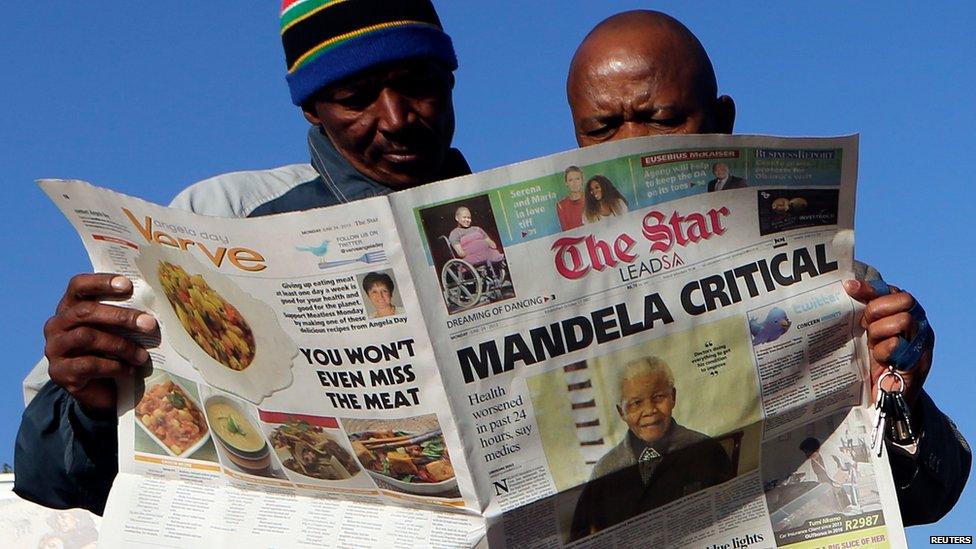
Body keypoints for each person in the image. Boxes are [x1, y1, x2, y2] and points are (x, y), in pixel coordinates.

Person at [17, 0, 468, 515]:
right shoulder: (221, 220)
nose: (395, 119)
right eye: (355, 98)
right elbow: (52, 478)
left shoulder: (511, 218)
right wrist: (89, 403)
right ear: (311, 107)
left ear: (450, 78)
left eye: (417, 84)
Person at [566, 9, 969, 525]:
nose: (631, 146)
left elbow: (935, 493)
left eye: (662, 120)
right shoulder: (604, 469)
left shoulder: (831, 284)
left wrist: (901, 399)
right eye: (600, 129)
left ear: (723, 122)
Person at [570, 357, 733, 540]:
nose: (649, 410)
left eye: (658, 397)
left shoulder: (706, 450)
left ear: (673, 397)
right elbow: (581, 536)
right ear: (621, 412)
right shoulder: (604, 470)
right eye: (636, 403)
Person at [556, 165, 586, 230]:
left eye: (577, 179)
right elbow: (566, 231)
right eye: (570, 180)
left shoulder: (590, 198)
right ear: (566, 183)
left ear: (582, 181)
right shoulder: (561, 205)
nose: (574, 183)